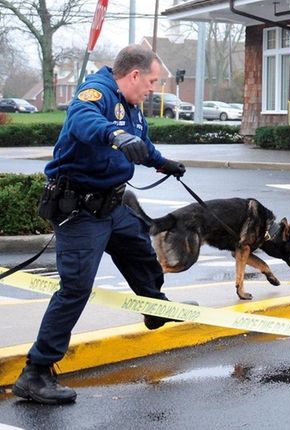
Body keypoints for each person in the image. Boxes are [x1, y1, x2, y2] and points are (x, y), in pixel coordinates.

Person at [12, 45, 192, 405]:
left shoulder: (134, 107)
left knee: (142, 255)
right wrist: (114, 135)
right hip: (79, 210)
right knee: (75, 289)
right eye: (153, 81)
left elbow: (142, 144)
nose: (154, 88)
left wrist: (163, 163)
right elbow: (82, 120)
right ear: (135, 75)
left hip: (112, 205)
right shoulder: (95, 93)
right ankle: (35, 373)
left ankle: (153, 308)